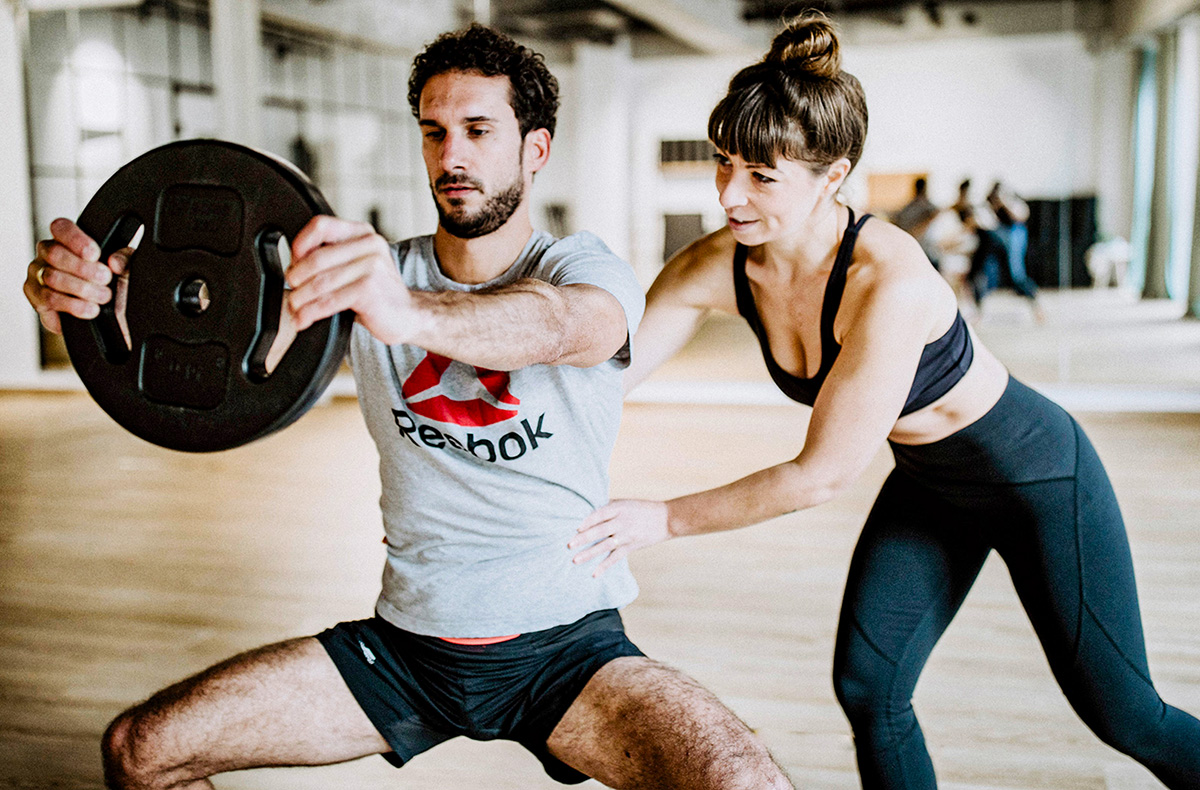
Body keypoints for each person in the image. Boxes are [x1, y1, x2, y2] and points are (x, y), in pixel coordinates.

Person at [23, 24, 791, 790]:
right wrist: (101, 300)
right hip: (407, 650)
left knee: (742, 782)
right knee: (141, 749)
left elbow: (562, 326)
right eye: (434, 132)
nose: (452, 156)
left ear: (536, 149)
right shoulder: (369, 280)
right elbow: (223, 327)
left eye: (479, 131)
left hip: (567, 653)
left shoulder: (580, 268)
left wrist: (410, 313)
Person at [568, 12, 1200, 789]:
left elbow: (820, 476)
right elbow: (605, 378)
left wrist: (662, 518)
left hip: (1037, 479)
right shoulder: (718, 265)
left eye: (762, 176)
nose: (730, 194)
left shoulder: (886, 281)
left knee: (1125, 715)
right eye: (723, 162)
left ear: (832, 176)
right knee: (870, 690)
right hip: (933, 485)